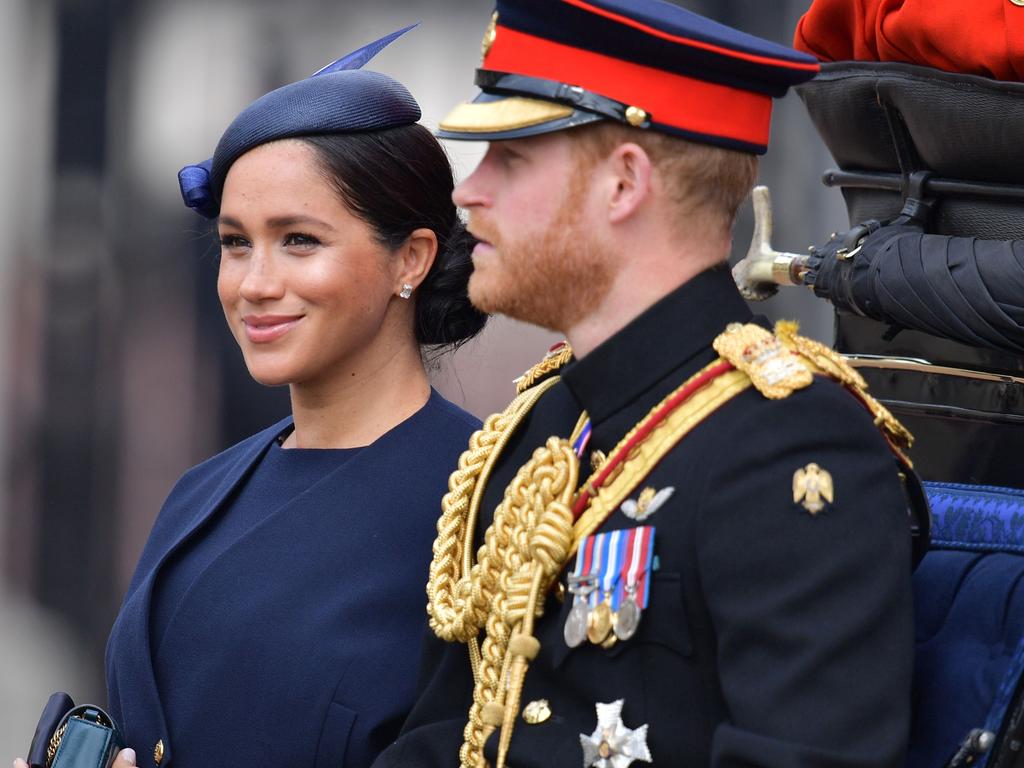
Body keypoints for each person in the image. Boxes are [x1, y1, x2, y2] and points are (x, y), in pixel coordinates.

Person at [370, 2, 924, 767]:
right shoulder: (546, 423)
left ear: (624, 183)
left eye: (512, 158)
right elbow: (442, 740)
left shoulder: (788, 444)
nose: (470, 192)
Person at [16, 28, 486, 768]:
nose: (254, 284)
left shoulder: (480, 499)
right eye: (236, 243)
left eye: (299, 240)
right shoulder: (201, 493)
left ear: (413, 258)